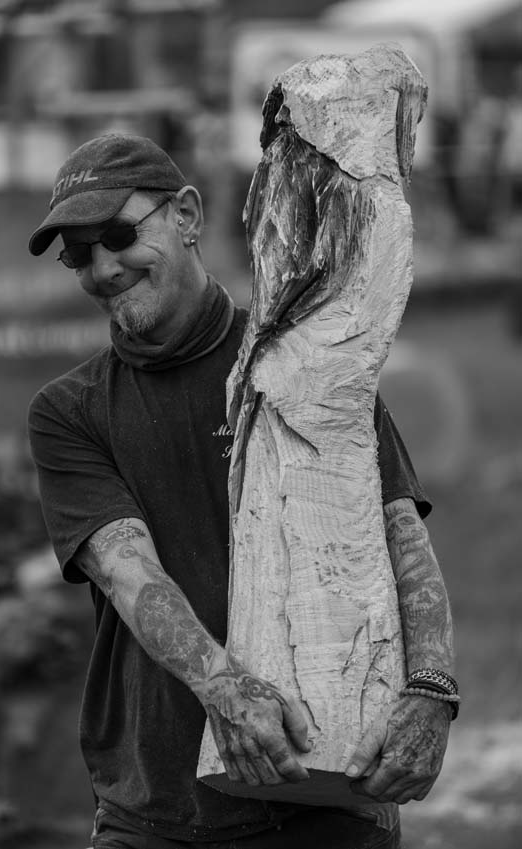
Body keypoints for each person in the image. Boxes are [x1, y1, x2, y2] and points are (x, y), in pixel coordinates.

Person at [27, 134, 458, 849]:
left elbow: (400, 533)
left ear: (188, 216)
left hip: (324, 796)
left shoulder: (307, 369)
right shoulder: (71, 412)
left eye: (119, 234)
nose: (103, 267)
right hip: (155, 811)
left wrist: (433, 691)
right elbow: (128, 571)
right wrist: (227, 686)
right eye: (79, 253)